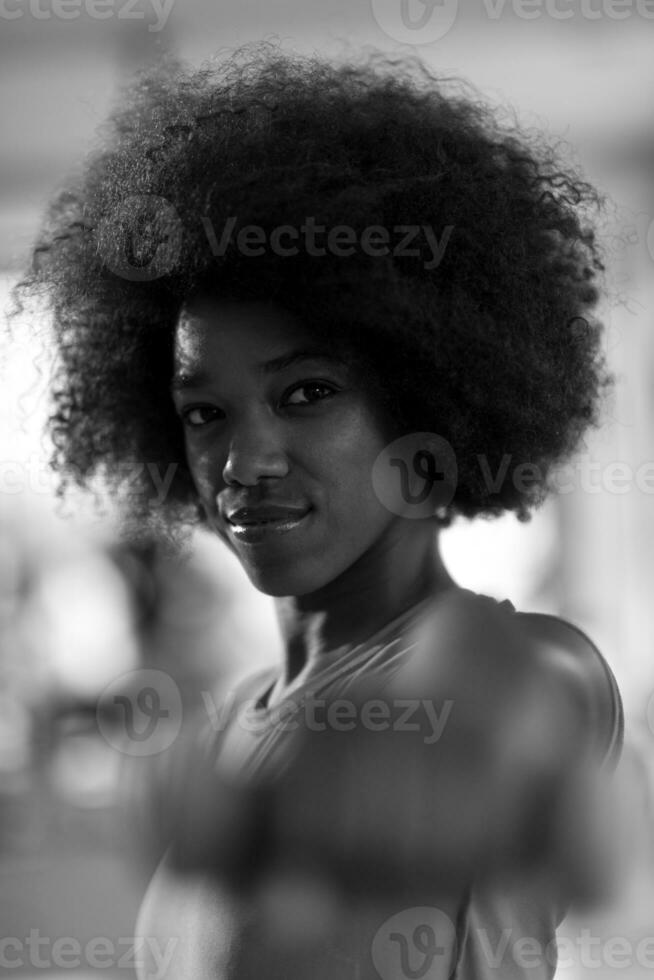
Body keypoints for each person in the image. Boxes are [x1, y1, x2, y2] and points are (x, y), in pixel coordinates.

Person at [18, 41, 624, 979]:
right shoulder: (229, 726)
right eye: (205, 413)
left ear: (422, 410)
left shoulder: (520, 668)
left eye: (306, 393)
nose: (243, 460)